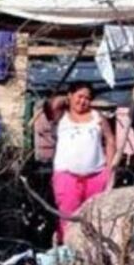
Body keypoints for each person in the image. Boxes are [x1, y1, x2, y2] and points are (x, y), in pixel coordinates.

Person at [51, 81, 116, 242]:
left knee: (95, 217)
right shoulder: (61, 115)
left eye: (87, 98)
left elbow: (110, 140)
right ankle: (69, 250)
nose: (83, 101)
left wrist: (109, 170)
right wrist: (66, 99)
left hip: (96, 176)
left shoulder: (97, 117)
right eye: (79, 96)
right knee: (68, 218)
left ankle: (93, 252)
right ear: (70, 96)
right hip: (67, 176)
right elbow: (52, 104)